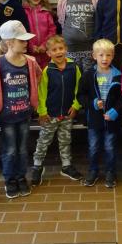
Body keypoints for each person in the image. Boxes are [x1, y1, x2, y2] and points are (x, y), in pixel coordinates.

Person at [0, 20, 41, 199]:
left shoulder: (30, 62)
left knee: (22, 149)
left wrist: (32, 95)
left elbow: (38, 75)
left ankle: (21, 177)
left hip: (25, 113)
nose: (26, 43)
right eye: (22, 40)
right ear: (9, 43)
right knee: (10, 149)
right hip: (6, 116)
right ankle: (9, 180)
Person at [30, 36, 84, 186]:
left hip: (67, 113)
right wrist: (42, 111)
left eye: (61, 48)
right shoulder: (47, 71)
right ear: (48, 53)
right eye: (54, 50)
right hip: (50, 114)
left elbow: (78, 89)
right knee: (43, 141)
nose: (58, 52)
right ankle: (37, 166)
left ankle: (66, 166)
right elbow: (42, 93)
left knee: (65, 140)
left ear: (66, 50)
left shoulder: (74, 68)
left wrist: (76, 105)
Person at [77, 39, 122, 188]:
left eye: (108, 55)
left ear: (113, 56)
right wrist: (92, 103)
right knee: (93, 146)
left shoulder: (118, 75)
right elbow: (80, 95)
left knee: (110, 147)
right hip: (94, 120)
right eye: (101, 55)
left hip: (112, 120)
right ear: (94, 56)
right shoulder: (88, 75)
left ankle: (111, 172)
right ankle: (93, 171)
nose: (105, 58)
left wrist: (115, 111)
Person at [57, 0, 100, 72]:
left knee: (87, 79)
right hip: (69, 48)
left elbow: (97, 20)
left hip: (89, 49)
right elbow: (61, 20)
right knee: (72, 78)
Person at [23, 0, 58, 69]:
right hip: (29, 55)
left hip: (46, 54)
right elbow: (22, 32)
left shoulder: (46, 11)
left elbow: (52, 30)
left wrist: (45, 45)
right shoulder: (23, 12)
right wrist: (30, 46)